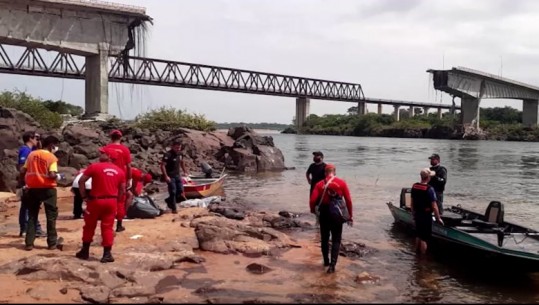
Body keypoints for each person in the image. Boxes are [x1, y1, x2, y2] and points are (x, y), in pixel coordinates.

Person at [75, 147, 126, 263]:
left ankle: (85, 251)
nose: (100, 154)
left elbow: (81, 181)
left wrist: (83, 197)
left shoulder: (95, 167)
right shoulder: (119, 171)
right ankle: (107, 254)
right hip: (111, 201)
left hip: (95, 201)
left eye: (103, 153)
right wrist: (117, 200)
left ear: (108, 156)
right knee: (107, 227)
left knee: (89, 226)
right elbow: (122, 189)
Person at [20, 135, 64, 251]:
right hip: (48, 189)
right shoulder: (51, 157)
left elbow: (22, 170)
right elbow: (51, 174)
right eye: (55, 145)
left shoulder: (31, 154)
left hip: (33, 188)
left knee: (32, 216)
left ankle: (29, 243)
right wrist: (59, 176)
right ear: (51, 145)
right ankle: (52, 243)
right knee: (51, 216)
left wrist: (23, 183)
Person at [309, 163, 353, 274]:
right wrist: (350, 216)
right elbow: (348, 200)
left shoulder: (320, 184)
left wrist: (312, 210)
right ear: (335, 172)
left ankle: (326, 262)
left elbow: (312, 200)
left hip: (324, 213)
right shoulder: (341, 183)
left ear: (325, 173)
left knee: (324, 238)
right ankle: (333, 266)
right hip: (337, 214)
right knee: (336, 240)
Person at [103, 129, 132, 232]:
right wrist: (129, 179)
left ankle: (107, 224)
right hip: (121, 177)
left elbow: (102, 162)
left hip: (107, 176)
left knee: (108, 199)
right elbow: (128, 166)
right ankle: (119, 225)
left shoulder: (106, 149)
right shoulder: (125, 149)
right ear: (120, 137)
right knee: (120, 200)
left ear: (111, 137)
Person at [411, 168, 444, 255]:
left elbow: (412, 203)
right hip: (426, 215)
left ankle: (416, 255)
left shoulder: (414, 186)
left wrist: (413, 215)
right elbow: (434, 206)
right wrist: (438, 218)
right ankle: (422, 259)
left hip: (417, 214)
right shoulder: (429, 189)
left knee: (418, 235)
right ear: (428, 177)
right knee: (424, 238)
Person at [17, 131, 44, 237]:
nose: (38, 140)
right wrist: (23, 182)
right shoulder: (25, 150)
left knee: (28, 205)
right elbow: (21, 167)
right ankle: (26, 228)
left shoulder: (32, 150)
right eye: (36, 138)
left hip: (30, 181)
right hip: (27, 182)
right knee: (27, 206)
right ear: (30, 138)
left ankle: (29, 228)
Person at [160, 141, 189, 214]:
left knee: (180, 191)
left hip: (177, 175)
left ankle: (169, 200)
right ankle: (174, 208)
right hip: (170, 176)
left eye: (179, 147)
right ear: (172, 147)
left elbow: (182, 162)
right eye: (176, 147)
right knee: (173, 191)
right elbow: (162, 165)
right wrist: (166, 176)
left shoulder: (180, 153)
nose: (178, 149)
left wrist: (185, 171)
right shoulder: (168, 154)